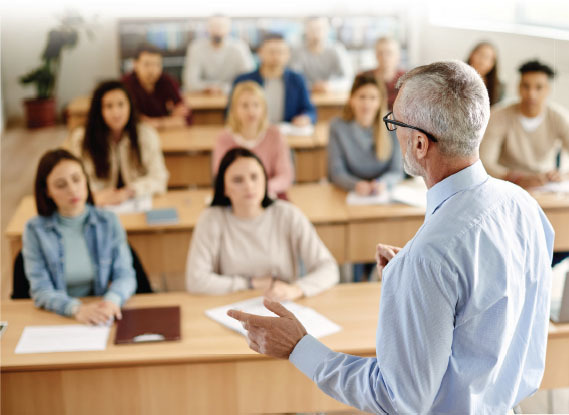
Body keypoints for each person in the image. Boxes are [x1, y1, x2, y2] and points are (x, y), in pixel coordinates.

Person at [229, 61, 554, 414]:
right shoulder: (524, 205)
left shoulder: (429, 257)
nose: (391, 132)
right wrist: (424, 286)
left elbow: (397, 398)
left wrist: (299, 346)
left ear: (419, 144)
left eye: (394, 123)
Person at [186, 147, 338, 300]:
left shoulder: (288, 214)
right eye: (238, 180)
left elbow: (328, 269)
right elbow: (196, 280)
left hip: (283, 305)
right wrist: (250, 283)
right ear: (224, 188)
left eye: (254, 177)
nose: (249, 186)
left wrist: (296, 289)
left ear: (265, 180)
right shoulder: (211, 219)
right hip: (232, 305)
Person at [22, 149, 136, 324]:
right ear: (47, 191)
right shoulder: (34, 230)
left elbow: (125, 275)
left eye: (77, 179)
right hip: (59, 315)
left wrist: (111, 300)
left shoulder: (108, 221)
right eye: (61, 185)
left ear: (86, 180)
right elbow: (41, 290)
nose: (73, 190)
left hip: (101, 312)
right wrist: (76, 309)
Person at [328, 73, 403, 282]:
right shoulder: (338, 126)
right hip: (350, 197)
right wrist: (355, 185)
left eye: (372, 98)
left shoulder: (392, 123)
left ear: (380, 100)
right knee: (352, 247)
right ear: (351, 99)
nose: (367, 104)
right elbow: (336, 172)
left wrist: (381, 184)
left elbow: (397, 170)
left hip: (381, 196)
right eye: (362, 97)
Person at [68, 80, 169, 206]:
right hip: (97, 204)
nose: (116, 113)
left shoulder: (146, 135)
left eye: (121, 104)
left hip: (135, 202)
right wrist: (97, 195)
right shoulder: (82, 139)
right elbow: (76, 179)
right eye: (109, 106)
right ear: (99, 110)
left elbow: (159, 178)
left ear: (130, 106)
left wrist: (130, 191)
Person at [480, 59, 569, 189]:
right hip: (507, 185)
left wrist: (564, 175)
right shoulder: (498, 116)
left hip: (546, 186)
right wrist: (516, 178)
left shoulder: (559, 117)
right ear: (518, 87)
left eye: (539, 87)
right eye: (526, 86)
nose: (531, 94)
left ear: (548, 90)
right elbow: (485, 161)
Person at [212, 81, 294, 197]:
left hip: (270, 194)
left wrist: (261, 189)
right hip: (236, 198)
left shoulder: (275, 135)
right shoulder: (224, 139)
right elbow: (220, 176)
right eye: (245, 106)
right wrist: (245, 191)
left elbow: (285, 176)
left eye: (256, 105)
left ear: (263, 108)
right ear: (234, 110)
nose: (251, 111)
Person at [230, 33, 317, 126]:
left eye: (280, 52)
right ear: (260, 53)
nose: (276, 57)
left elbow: (310, 111)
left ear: (288, 55)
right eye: (271, 52)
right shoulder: (243, 81)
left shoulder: (297, 80)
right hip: (252, 133)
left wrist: (306, 118)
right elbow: (230, 113)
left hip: (287, 133)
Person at [122, 43, 191, 128]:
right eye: (147, 64)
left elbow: (186, 118)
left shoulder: (167, 81)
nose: (152, 70)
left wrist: (155, 123)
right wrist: (170, 121)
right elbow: (130, 121)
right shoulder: (125, 84)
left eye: (157, 64)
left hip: (168, 136)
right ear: (135, 64)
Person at [183, 15, 255, 94]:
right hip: (202, 96)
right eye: (213, 26)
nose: (217, 30)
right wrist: (208, 88)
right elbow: (190, 82)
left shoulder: (240, 47)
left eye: (221, 26)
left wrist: (222, 88)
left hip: (234, 95)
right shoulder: (195, 47)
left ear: (229, 28)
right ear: (207, 29)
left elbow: (249, 80)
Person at [289, 16, 353, 92]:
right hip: (306, 94)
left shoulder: (337, 50)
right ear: (306, 31)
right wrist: (312, 86)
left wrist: (330, 86)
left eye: (319, 29)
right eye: (312, 29)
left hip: (333, 95)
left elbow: (349, 78)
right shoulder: (297, 52)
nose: (316, 33)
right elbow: (293, 79)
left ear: (327, 30)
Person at [361, 36, 406, 110]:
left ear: (398, 56)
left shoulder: (406, 80)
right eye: (380, 53)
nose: (384, 57)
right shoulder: (364, 78)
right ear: (375, 55)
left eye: (389, 53)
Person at [466, 41, 504, 106]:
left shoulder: (498, 87)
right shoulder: (454, 77)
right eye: (480, 55)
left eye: (488, 58)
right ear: (471, 55)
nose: (482, 61)